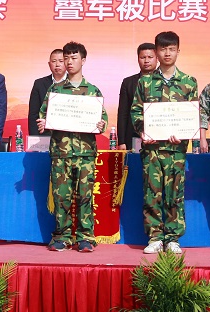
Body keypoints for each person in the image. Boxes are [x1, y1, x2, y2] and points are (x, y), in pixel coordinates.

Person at [37, 41, 109, 253]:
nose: (69, 62)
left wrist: (101, 125)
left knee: (85, 195)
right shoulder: (55, 90)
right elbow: (43, 115)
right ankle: (62, 236)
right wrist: (43, 122)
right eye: (66, 58)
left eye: (73, 58)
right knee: (62, 196)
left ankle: (85, 237)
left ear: (83, 60)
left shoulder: (92, 90)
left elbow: (103, 119)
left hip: (85, 153)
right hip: (61, 152)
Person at [131, 31, 198, 254]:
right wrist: (143, 130)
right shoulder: (146, 82)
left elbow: (193, 115)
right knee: (152, 193)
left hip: (176, 149)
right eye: (163, 49)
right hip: (152, 149)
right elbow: (136, 111)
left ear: (178, 51)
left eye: (171, 49)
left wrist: (185, 134)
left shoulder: (189, 82)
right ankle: (155, 237)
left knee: (175, 193)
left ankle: (173, 238)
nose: (167, 53)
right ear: (157, 52)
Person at [116, 43, 157, 151]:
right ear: (138, 59)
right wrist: (121, 141)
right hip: (133, 136)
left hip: (158, 137)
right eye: (143, 57)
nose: (146, 61)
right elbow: (123, 113)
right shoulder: (128, 82)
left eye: (150, 57)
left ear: (157, 58)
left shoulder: (164, 82)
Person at [28, 49, 65, 136]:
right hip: (44, 135)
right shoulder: (39, 84)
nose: (57, 64)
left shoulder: (74, 84)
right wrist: (35, 137)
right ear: (49, 64)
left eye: (61, 61)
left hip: (67, 138)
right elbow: (33, 115)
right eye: (54, 61)